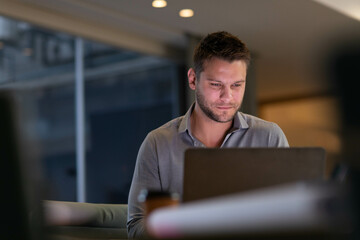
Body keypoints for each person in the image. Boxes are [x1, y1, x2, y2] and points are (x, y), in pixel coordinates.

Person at [127, 31, 289, 238]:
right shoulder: (158, 143)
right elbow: (135, 228)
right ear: (193, 79)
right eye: (216, 85)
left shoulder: (269, 137)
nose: (227, 97)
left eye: (236, 85)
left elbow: (290, 218)